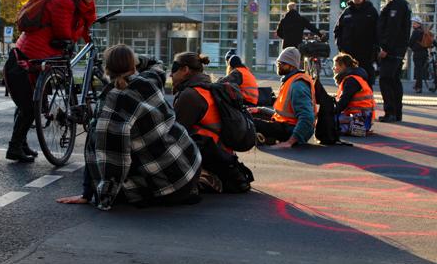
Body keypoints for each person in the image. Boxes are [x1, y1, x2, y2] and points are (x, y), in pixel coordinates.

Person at [58, 44, 202, 210]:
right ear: (134, 65)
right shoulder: (149, 79)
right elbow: (157, 63)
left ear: (106, 70)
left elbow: (114, 160)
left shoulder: (112, 105)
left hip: (171, 188)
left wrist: (94, 195)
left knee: (97, 140)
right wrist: (136, 59)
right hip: (191, 167)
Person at [2, 0, 107, 162]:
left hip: (44, 58)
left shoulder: (79, 2)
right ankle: (14, 147)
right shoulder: (64, 0)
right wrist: (78, 35)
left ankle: (21, 144)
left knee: (31, 104)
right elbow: (63, 34)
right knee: (28, 106)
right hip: (28, 57)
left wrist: (86, 37)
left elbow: (81, 25)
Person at [171, 52, 253, 194]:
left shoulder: (191, 95)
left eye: (174, 69)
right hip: (223, 157)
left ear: (185, 70)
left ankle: (204, 175)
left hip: (210, 157)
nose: (170, 75)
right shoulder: (208, 88)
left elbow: (173, 135)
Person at [251, 47, 316, 149]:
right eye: (278, 63)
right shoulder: (289, 81)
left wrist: (290, 142)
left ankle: (271, 138)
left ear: (291, 66)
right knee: (249, 115)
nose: (278, 65)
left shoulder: (297, 85)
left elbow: (307, 118)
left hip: (291, 131)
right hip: (287, 125)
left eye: (282, 63)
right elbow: (286, 115)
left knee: (250, 122)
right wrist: (260, 110)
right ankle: (268, 138)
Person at [377, 0, 411, 122]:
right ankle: (397, 113)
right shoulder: (403, 3)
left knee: (385, 79)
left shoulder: (396, 4)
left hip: (392, 50)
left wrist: (385, 48)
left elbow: (393, 28)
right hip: (398, 49)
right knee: (395, 80)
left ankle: (390, 112)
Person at [333, 0, 379, 86]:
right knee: (347, 79)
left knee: (366, 80)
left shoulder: (371, 11)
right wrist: (340, 47)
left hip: (366, 54)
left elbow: (378, 31)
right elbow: (337, 30)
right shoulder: (347, 11)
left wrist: (375, 49)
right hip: (349, 54)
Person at [332, 53, 375, 136]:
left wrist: (330, 112)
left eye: (336, 66)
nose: (333, 68)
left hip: (359, 119)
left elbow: (344, 101)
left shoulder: (351, 80)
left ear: (343, 66)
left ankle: (351, 128)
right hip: (364, 118)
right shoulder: (356, 78)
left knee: (326, 120)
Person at [409, 16, 428, 93]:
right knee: (420, 70)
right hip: (424, 53)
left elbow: (410, 42)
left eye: (414, 23)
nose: (413, 25)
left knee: (418, 71)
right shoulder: (424, 31)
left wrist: (411, 47)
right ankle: (417, 85)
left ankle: (418, 87)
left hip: (418, 53)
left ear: (418, 24)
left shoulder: (416, 32)